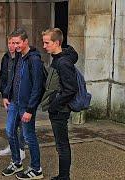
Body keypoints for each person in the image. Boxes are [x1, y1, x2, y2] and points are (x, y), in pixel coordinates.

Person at [1, 28, 45, 179]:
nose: (15, 46)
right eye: (12, 42)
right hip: (14, 102)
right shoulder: (18, 57)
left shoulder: (34, 59)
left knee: (28, 136)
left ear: (26, 41)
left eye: (17, 42)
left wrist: (30, 109)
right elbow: (12, 78)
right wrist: (6, 95)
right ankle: (16, 162)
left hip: (26, 106)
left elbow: (38, 86)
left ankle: (36, 168)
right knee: (9, 131)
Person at [41, 28, 78, 180]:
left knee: (62, 145)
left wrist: (55, 105)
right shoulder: (58, 58)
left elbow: (71, 89)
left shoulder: (63, 62)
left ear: (56, 43)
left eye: (47, 43)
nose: (44, 46)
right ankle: (63, 176)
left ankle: (64, 177)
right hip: (57, 108)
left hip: (60, 110)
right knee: (60, 144)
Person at [0, 33, 26, 160]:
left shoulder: (22, 58)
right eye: (9, 43)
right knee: (11, 125)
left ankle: (21, 148)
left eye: (13, 43)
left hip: (21, 96)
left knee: (21, 124)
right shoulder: (6, 57)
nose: (10, 46)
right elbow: (3, 76)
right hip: (9, 95)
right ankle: (12, 145)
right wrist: (4, 95)